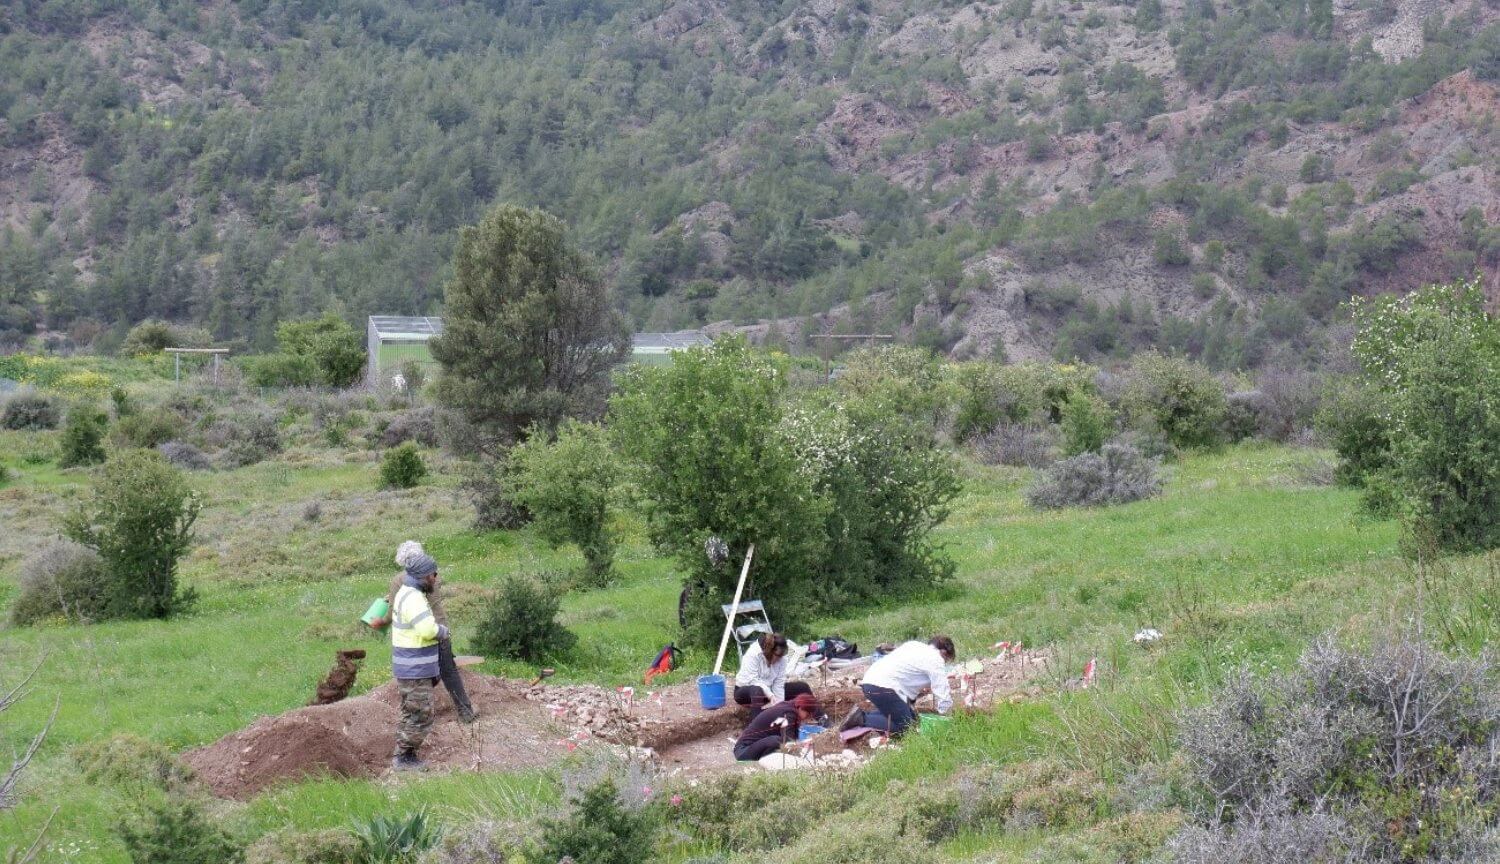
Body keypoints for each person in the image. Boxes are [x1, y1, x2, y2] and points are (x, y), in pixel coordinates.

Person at [375, 541, 475, 723]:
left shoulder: (399, 580)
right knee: (449, 671)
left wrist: (381, 621)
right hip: (441, 627)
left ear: (403, 561)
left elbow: (394, 610)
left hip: (420, 635)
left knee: (419, 676)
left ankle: (415, 719)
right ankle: (465, 712)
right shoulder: (433, 575)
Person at [389, 553, 449, 771]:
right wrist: (441, 631)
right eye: (434, 574)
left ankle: (403, 753)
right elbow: (427, 630)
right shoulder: (413, 597)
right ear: (425, 575)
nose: (436, 577)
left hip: (410, 666)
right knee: (422, 714)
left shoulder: (406, 593)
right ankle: (403, 758)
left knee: (410, 711)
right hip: (414, 667)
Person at [841, 636, 955, 738]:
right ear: (944, 653)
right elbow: (942, 690)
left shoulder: (913, 645)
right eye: (947, 660)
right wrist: (946, 716)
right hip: (884, 687)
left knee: (913, 719)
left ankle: (860, 715)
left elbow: (906, 676)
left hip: (871, 682)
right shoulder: (935, 659)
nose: (944, 663)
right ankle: (862, 718)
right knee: (907, 727)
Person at [733, 693, 822, 762]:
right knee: (778, 741)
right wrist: (804, 745)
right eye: (807, 715)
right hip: (743, 751)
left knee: (781, 742)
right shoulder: (789, 713)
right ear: (800, 708)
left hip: (753, 747)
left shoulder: (789, 706)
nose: (807, 718)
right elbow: (788, 741)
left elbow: (792, 735)